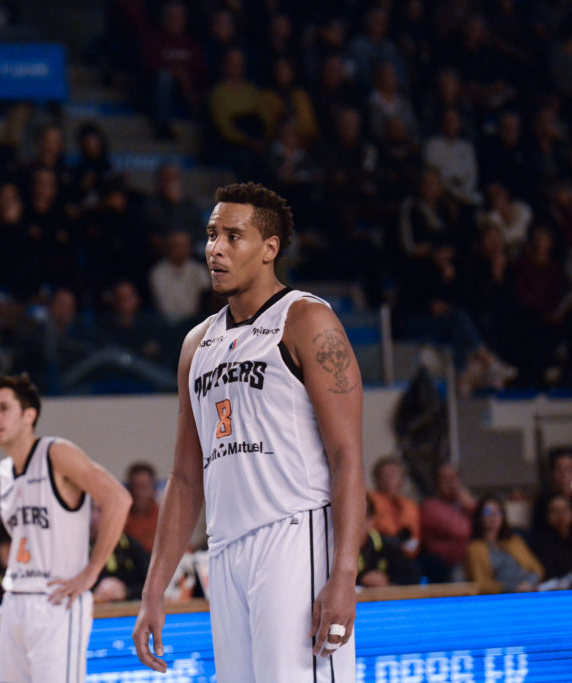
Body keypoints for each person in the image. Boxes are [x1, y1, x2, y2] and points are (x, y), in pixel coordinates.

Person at [133, 182, 366, 682]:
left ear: (269, 248)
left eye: (233, 236)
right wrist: (154, 589)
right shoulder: (197, 345)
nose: (215, 249)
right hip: (225, 551)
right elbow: (185, 478)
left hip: (294, 537)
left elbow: (347, 456)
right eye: (211, 235)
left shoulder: (306, 319)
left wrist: (345, 573)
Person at [0, 373, 131, 683]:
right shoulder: (4, 470)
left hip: (57, 600)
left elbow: (118, 499)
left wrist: (91, 573)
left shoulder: (55, 453)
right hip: (14, 598)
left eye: (3, 408)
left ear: (29, 415)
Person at [464, 495, 544, 593]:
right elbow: (481, 584)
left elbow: (537, 569)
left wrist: (528, 583)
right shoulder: (474, 548)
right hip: (504, 594)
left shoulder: (514, 540)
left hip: (529, 588)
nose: (493, 516)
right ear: (479, 516)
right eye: (488, 512)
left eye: (498, 511)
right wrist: (514, 588)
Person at [420, 463, 476, 583]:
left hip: (472, 559)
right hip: (447, 563)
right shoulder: (430, 506)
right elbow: (461, 531)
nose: (451, 484)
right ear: (436, 484)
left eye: (454, 479)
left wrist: (471, 507)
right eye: (445, 480)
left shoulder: (465, 504)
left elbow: (486, 524)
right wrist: (470, 507)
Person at [90, 500, 150, 603]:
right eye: (94, 510)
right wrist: (94, 594)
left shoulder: (132, 547)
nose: (94, 516)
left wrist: (126, 592)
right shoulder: (80, 550)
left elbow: (152, 585)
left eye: (101, 510)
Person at [367, 456, 421, 559]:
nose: (388, 480)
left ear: (402, 479)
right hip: (378, 550)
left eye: (393, 475)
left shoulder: (411, 506)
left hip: (405, 554)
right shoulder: (370, 499)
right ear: (376, 478)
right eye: (384, 475)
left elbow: (415, 535)